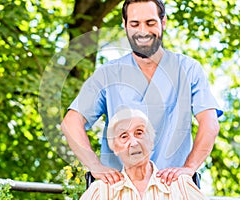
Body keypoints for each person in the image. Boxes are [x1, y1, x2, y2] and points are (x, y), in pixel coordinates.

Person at [61, 0, 223, 186]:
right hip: (119, 190)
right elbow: (71, 122)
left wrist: (189, 168)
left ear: (163, 23)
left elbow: (209, 122)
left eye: (150, 22)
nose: (143, 31)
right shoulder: (109, 74)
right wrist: (95, 166)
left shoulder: (188, 69)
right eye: (135, 24)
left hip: (171, 188)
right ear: (125, 25)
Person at [80, 108, 208, 199]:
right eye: (124, 136)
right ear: (115, 148)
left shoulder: (181, 185)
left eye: (139, 133)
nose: (134, 142)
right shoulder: (101, 190)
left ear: (151, 141)